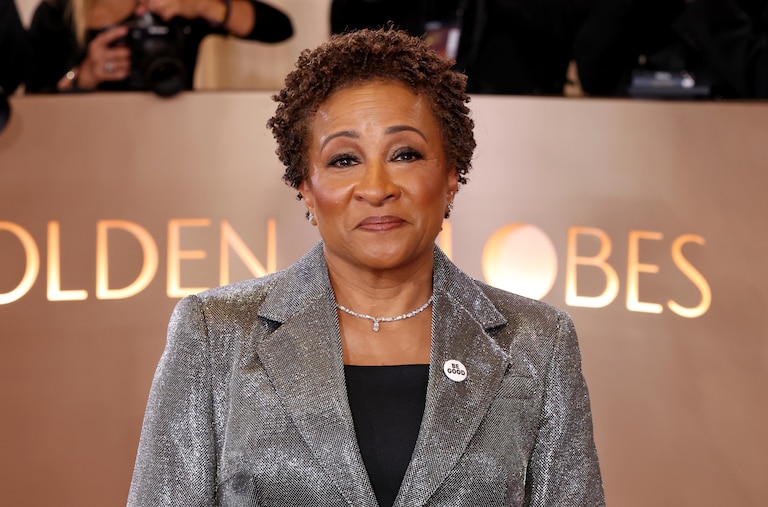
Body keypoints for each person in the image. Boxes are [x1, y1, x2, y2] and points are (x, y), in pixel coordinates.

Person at [128, 27, 605, 506]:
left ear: (451, 174)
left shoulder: (537, 341)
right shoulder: (214, 333)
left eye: (405, 154)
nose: (377, 188)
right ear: (306, 186)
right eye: (344, 160)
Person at [25, 0, 293, 94]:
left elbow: (278, 27)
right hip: (83, 151)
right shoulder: (55, 13)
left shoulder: (174, 6)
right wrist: (83, 77)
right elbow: (34, 107)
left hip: (170, 142)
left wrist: (205, 6)